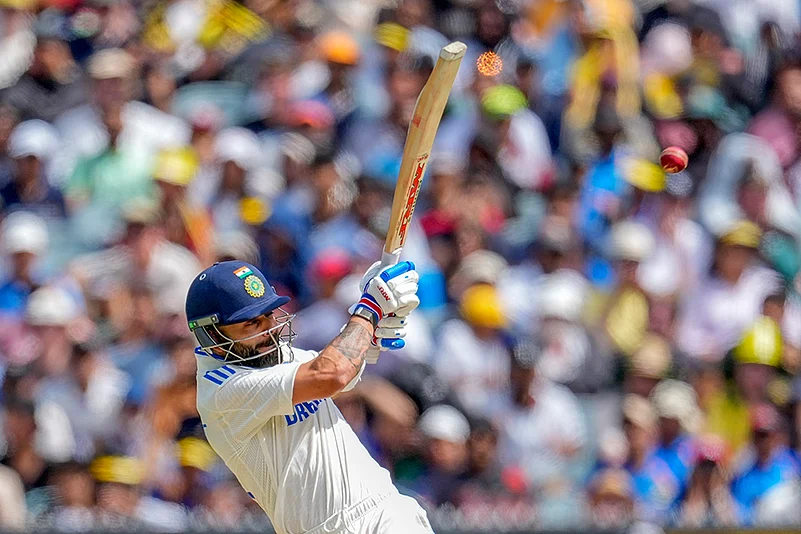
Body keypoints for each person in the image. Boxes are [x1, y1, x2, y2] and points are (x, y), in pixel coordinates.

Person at [185, 259, 434, 533]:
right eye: (252, 324)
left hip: (386, 511)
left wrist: (371, 332)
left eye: (269, 315)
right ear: (212, 335)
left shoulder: (268, 356)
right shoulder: (222, 389)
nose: (270, 330)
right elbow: (330, 374)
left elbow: (341, 373)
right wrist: (369, 310)